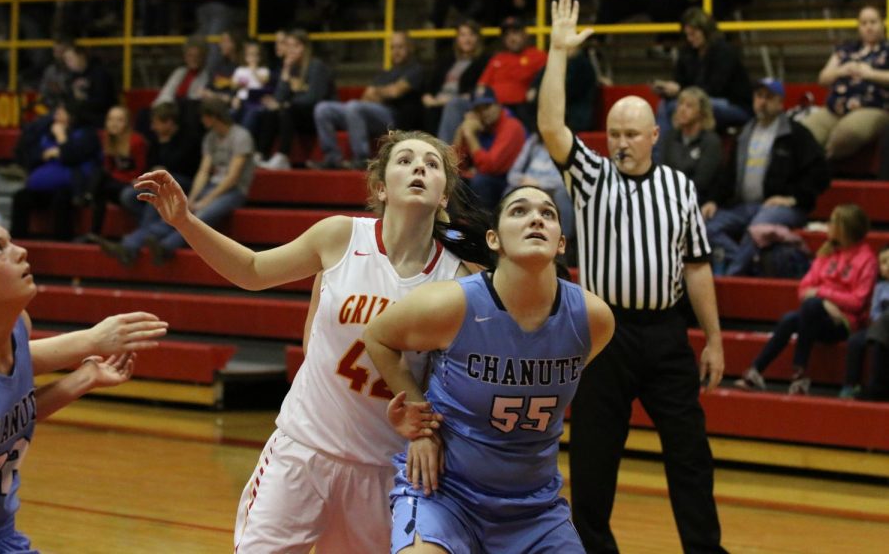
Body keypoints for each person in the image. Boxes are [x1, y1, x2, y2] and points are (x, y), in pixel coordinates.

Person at [131, 129, 493, 553]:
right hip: (304, 449)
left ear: (444, 196)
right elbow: (251, 270)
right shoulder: (340, 237)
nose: (419, 168)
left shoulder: (458, 280)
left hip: (384, 469)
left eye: (432, 165)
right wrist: (185, 222)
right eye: (406, 160)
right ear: (381, 187)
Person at [538, 0, 727, 553]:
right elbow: (551, 125)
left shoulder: (680, 187)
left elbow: (697, 266)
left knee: (690, 454)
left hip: (667, 334)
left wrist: (713, 339)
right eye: (614, 132)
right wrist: (558, 51)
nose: (620, 141)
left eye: (631, 133)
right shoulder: (591, 177)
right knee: (595, 457)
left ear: (653, 137)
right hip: (604, 333)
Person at [363, 185, 615, 554]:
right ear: (493, 239)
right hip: (445, 495)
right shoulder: (453, 303)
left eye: (548, 214)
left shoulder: (593, 320)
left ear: (561, 242)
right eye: (519, 211)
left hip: (535, 510)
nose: (535, 219)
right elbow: (378, 337)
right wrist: (421, 423)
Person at [0, 215, 168, 553]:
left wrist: (85, 376)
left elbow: (11, 412)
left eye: (10, 241)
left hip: (2, 534)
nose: (20, 251)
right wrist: (91, 341)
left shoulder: (16, 330)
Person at [735, 204, 878, 396]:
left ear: (845, 228)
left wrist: (822, 296)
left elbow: (858, 301)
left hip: (843, 322)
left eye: (832, 223)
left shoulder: (867, 259)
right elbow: (804, 289)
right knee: (790, 319)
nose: (828, 226)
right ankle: (756, 372)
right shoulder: (827, 252)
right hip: (817, 316)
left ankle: (799, 373)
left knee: (810, 306)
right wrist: (825, 302)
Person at [101, 98, 253, 267]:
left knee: (199, 216)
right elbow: (203, 171)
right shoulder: (210, 138)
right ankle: (145, 245)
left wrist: (206, 200)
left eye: (204, 117)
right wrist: (193, 198)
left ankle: (160, 246)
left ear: (213, 117)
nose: (202, 121)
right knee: (183, 213)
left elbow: (232, 177)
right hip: (212, 185)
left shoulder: (241, 136)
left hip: (235, 190)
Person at [701, 78, 829, 276]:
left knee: (757, 229)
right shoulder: (744, 133)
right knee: (704, 227)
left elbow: (821, 171)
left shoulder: (796, 134)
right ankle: (747, 263)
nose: (762, 102)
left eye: (769, 97)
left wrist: (793, 197)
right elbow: (727, 173)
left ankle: (731, 278)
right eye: (759, 96)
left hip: (782, 207)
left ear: (780, 103)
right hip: (744, 206)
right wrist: (713, 200)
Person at [313, 31, 425, 169]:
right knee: (323, 109)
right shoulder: (386, 73)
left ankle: (361, 159)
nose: (396, 51)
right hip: (373, 113)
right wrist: (385, 92)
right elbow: (366, 97)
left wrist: (378, 92)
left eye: (400, 47)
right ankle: (332, 158)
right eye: (393, 47)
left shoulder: (416, 69)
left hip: (395, 117)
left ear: (410, 48)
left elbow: (395, 92)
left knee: (354, 106)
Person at [651, 7, 752, 152]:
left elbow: (714, 89)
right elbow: (681, 80)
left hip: (733, 104)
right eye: (687, 35)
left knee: (677, 107)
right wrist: (669, 89)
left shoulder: (724, 51)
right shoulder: (688, 52)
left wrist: (681, 90)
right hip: (704, 99)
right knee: (665, 104)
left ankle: (668, 156)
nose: (690, 39)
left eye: (693, 34)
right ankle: (658, 159)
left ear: (706, 31)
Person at [800, 5, 889, 163]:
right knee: (802, 132)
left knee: (848, 132)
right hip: (835, 108)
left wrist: (871, 74)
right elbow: (822, 79)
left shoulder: (887, 49)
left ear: (882, 24)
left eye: (873, 22)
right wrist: (841, 70)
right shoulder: (846, 49)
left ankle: (820, 164)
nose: (868, 27)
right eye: (864, 23)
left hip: (873, 107)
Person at [10, 101, 101, 242]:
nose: (56, 113)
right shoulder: (46, 131)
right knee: (21, 197)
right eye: (57, 110)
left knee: (62, 198)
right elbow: (29, 155)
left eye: (62, 111)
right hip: (41, 187)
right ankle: (18, 241)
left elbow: (73, 157)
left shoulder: (86, 134)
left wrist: (61, 138)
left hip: (73, 188)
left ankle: (62, 243)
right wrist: (44, 155)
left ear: (72, 114)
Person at [254, 29, 337, 170]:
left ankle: (282, 156)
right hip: (295, 114)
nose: (290, 50)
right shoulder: (291, 68)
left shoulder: (316, 66)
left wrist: (284, 104)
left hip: (318, 116)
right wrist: (285, 72)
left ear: (304, 47)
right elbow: (279, 97)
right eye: (288, 46)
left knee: (287, 109)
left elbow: (313, 99)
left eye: (295, 46)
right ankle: (261, 154)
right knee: (271, 111)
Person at [80, 106, 148, 241]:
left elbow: (140, 170)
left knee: (100, 178)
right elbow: (109, 167)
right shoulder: (108, 139)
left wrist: (117, 177)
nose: (114, 123)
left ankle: (88, 196)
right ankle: (94, 233)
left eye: (119, 120)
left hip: (133, 184)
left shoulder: (136, 141)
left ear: (127, 123)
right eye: (110, 119)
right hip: (116, 183)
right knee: (101, 187)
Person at [453, 86, 527, 210]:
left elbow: (490, 167)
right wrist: (461, 132)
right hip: (485, 176)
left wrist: (470, 136)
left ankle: (482, 226)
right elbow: (454, 165)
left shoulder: (512, 126)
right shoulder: (478, 125)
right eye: (478, 109)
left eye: (487, 107)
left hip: (510, 182)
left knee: (481, 181)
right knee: (452, 180)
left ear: (498, 105)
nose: (484, 113)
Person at [423, 20, 491, 144]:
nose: (467, 39)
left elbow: (481, 88)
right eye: (463, 35)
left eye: (471, 35)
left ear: (478, 38)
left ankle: (444, 152)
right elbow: (432, 83)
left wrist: (449, 100)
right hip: (439, 101)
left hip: (464, 101)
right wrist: (427, 95)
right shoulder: (447, 59)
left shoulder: (484, 61)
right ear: (457, 39)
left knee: (453, 104)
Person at [475, 16, 547, 127]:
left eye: (515, 33)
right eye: (507, 35)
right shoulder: (498, 58)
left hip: (519, 107)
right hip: (490, 107)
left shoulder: (538, 56)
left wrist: (535, 88)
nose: (511, 38)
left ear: (524, 34)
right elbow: (482, 85)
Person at [840, 243, 889, 400]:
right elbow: (874, 311)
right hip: (878, 326)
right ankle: (850, 385)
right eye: (883, 262)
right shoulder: (880, 287)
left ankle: (876, 385)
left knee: (878, 340)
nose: (887, 266)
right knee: (856, 340)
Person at [659, 86, 723, 205]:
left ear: (701, 112)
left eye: (689, 106)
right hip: (668, 196)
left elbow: (701, 183)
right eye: (680, 104)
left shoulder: (711, 141)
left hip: (696, 200)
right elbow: (662, 171)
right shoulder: (670, 137)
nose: (682, 109)